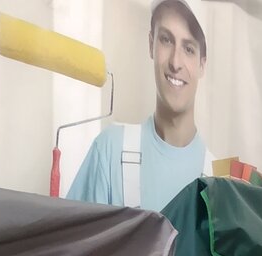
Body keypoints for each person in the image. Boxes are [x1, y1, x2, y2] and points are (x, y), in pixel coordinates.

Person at [66, 0, 213, 212]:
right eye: (166, 40)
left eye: (188, 49)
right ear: (151, 44)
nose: (175, 62)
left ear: (202, 64)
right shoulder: (109, 151)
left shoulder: (219, 181)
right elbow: (70, 233)